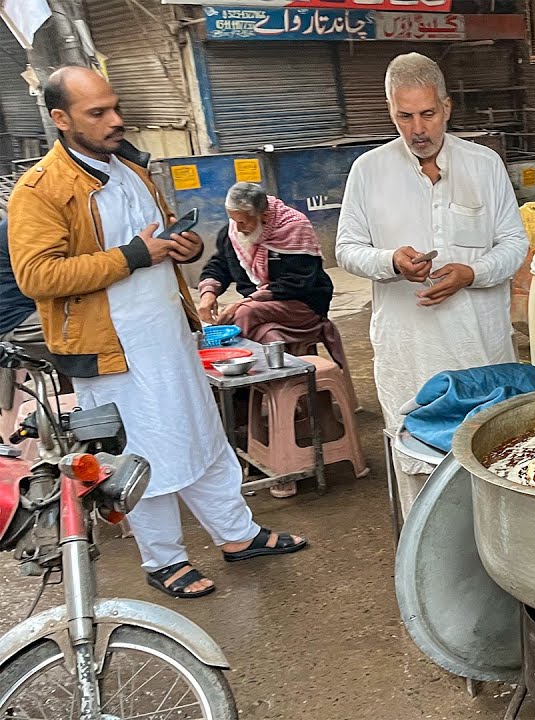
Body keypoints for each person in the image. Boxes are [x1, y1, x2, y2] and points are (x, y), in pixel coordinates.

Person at [8, 66, 306, 599]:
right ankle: (163, 560)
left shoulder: (130, 169)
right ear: (60, 119)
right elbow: (38, 276)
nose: (115, 120)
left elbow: (163, 237)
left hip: (169, 335)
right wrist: (133, 256)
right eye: (97, 113)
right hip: (113, 351)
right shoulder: (41, 191)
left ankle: (239, 536)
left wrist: (182, 248)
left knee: (203, 438)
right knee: (144, 456)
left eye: (114, 107)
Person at [336, 52, 526, 509]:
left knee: (489, 462)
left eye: (427, 114)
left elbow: (515, 246)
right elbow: (345, 249)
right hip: (410, 353)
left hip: (478, 352)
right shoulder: (369, 170)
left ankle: (489, 566)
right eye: (405, 116)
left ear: (446, 107)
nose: (418, 129)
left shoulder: (484, 164)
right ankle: (423, 571)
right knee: (415, 466)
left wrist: (471, 273)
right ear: (390, 111)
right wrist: (391, 261)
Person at [197, 182, 343, 367]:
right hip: (260, 308)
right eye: (233, 220)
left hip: (302, 304)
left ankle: (242, 383)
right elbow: (219, 265)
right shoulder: (233, 233)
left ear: (264, 215)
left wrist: (247, 301)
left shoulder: (294, 227)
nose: (237, 228)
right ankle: (252, 380)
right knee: (233, 325)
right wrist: (208, 294)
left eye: (242, 222)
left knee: (242, 313)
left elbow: (298, 282)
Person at [0, 220, 45, 409]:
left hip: (13, 320)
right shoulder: (22, 227)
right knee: (91, 330)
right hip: (15, 323)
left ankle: (8, 428)